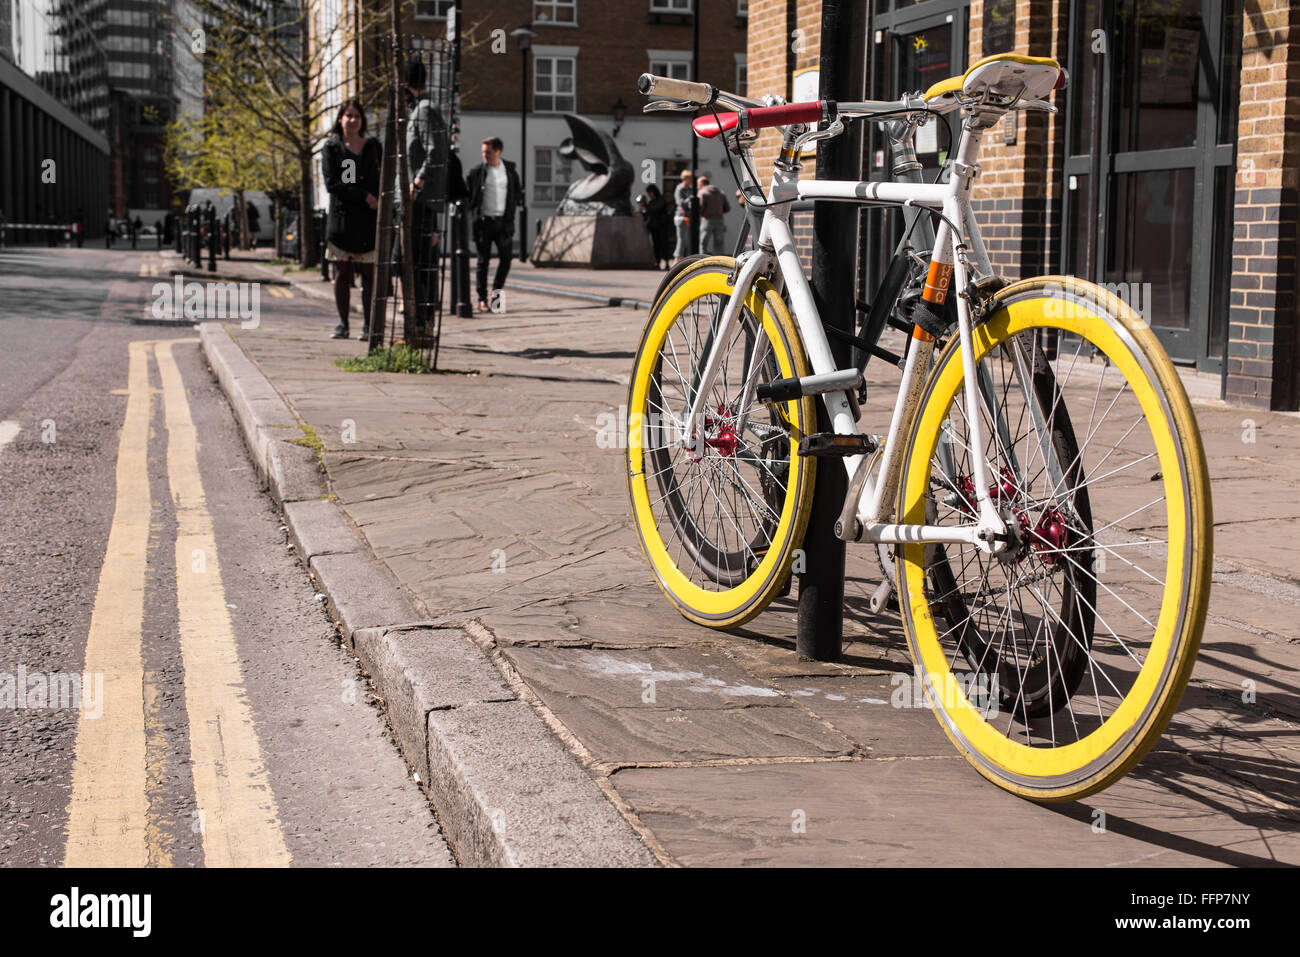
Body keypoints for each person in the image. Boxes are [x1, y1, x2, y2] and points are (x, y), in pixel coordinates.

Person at [323, 98, 382, 339]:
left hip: (368, 221)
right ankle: (343, 323)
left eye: (356, 115)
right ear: (340, 119)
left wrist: (377, 197)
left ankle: (369, 325)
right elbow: (333, 184)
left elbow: (381, 178)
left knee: (369, 275)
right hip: (342, 221)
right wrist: (363, 195)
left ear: (362, 120)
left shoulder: (373, 147)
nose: (352, 119)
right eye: (348, 115)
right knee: (342, 273)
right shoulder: (333, 148)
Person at [404, 55, 451, 331]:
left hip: (420, 201)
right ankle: (421, 320)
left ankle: (423, 321)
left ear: (405, 82)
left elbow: (437, 152)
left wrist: (416, 183)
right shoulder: (418, 110)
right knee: (412, 260)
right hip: (418, 201)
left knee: (413, 261)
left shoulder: (424, 110)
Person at [465, 136, 523, 313]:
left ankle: (496, 299)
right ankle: (482, 300)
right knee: (483, 262)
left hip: (503, 223)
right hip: (484, 222)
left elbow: (517, 193)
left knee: (506, 260)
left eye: (488, 152)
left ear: (498, 151)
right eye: (483, 152)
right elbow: (469, 195)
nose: (485, 156)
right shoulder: (477, 172)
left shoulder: (510, 171)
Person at [697, 175, 730, 256]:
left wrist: (703, 214)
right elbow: (727, 208)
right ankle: (719, 262)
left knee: (703, 243)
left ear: (702, 184)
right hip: (719, 220)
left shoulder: (702, 193)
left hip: (707, 220)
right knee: (719, 243)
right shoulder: (720, 192)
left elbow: (700, 208)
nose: (697, 186)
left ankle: (701, 260)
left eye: (698, 184)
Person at [643, 183, 672, 269]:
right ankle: (658, 262)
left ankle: (666, 262)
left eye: (650, 192)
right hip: (654, 227)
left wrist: (647, 207)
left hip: (662, 226)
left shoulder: (660, 200)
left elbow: (657, 209)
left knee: (663, 245)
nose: (650, 194)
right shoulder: (651, 202)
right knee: (656, 245)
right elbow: (648, 212)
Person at [672, 169, 695, 263]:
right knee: (681, 239)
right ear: (685, 179)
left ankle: (686, 260)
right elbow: (679, 202)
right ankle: (677, 259)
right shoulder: (680, 188)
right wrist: (690, 199)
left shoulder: (690, 189)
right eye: (690, 178)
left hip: (689, 217)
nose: (691, 180)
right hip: (681, 217)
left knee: (688, 240)